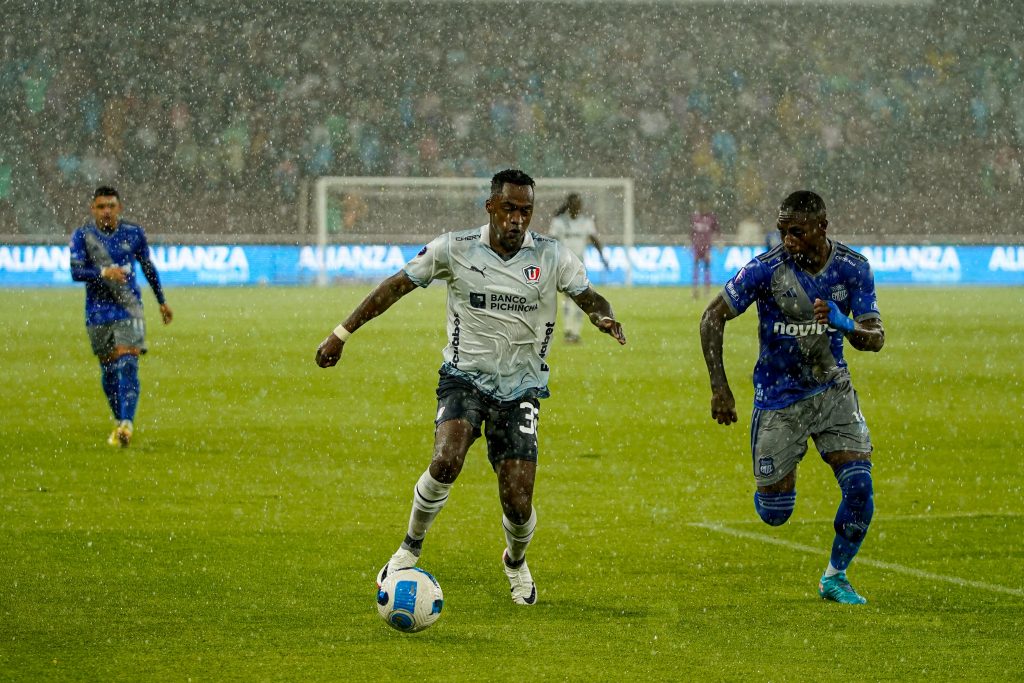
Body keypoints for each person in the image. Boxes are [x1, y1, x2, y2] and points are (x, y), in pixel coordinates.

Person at [315, 169, 626, 605]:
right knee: (446, 460)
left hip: (521, 390)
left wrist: (601, 316)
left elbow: (589, 295)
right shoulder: (454, 248)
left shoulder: (551, 255)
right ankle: (409, 548)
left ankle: (515, 563)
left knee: (517, 502)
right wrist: (341, 333)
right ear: (491, 208)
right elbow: (396, 286)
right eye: (509, 210)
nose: (518, 220)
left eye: (526, 211)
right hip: (464, 379)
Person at [699, 190, 884, 605]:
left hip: (832, 390)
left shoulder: (854, 268)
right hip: (778, 398)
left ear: (822, 226)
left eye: (797, 232)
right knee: (775, 513)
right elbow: (712, 315)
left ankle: (835, 576)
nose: (788, 241)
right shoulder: (766, 270)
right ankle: (776, 477)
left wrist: (845, 324)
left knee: (860, 490)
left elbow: (875, 340)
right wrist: (720, 387)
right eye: (782, 231)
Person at [70, 187, 173, 447]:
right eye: (101, 206)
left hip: (129, 309)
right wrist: (104, 273)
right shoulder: (82, 236)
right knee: (109, 370)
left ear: (120, 208)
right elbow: (76, 272)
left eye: (111, 206)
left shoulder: (133, 233)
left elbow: (148, 266)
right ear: (93, 209)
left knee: (128, 362)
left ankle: (127, 423)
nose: (106, 211)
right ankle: (120, 419)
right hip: (98, 312)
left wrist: (161, 301)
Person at [548, 193, 610, 343]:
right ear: (569, 205)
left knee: (580, 299)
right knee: (571, 297)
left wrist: (603, 257)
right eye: (575, 203)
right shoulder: (559, 222)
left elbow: (594, 240)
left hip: (580, 265)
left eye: (579, 204)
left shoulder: (586, 222)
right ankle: (570, 332)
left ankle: (573, 333)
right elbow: (551, 241)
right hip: (564, 264)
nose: (578, 206)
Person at [690, 201, 719, 299]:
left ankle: (707, 292)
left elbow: (717, 231)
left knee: (706, 269)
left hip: (706, 248)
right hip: (697, 247)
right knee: (696, 269)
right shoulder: (695, 218)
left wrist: (715, 245)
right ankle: (695, 291)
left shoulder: (711, 218)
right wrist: (691, 245)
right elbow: (691, 233)